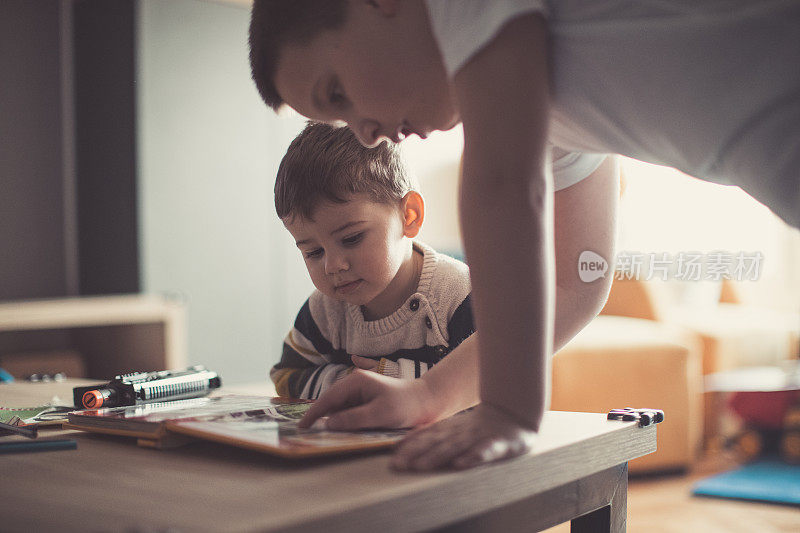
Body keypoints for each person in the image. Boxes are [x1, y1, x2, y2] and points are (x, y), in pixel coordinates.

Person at [248, 0, 798, 471]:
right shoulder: (551, 104)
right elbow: (576, 282)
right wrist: (428, 396)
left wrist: (509, 410)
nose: (363, 132)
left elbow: (505, 183)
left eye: (338, 93)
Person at [271, 121, 477, 402]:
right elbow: (285, 376)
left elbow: (494, 385)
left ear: (409, 216)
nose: (333, 266)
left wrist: (394, 378)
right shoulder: (325, 312)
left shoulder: (459, 296)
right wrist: (345, 383)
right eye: (314, 252)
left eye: (352, 238)